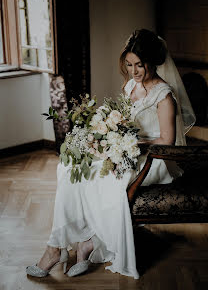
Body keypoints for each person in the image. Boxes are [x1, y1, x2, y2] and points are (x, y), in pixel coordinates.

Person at [26, 29, 195, 279]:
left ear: (152, 62)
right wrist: (105, 134)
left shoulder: (164, 96)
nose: (134, 71)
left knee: (101, 177)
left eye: (140, 65)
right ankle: (64, 245)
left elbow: (166, 142)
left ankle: (76, 246)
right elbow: (122, 120)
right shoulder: (130, 86)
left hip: (154, 160)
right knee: (69, 169)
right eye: (129, 64)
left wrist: (131, 142)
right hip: (126, 150)